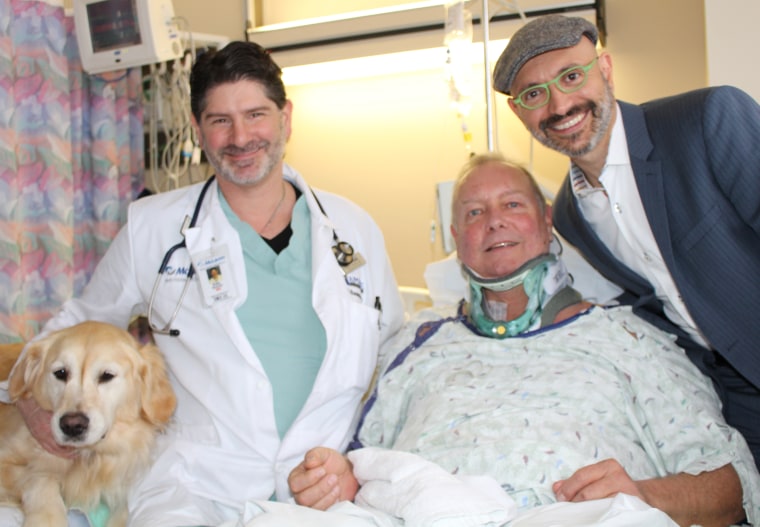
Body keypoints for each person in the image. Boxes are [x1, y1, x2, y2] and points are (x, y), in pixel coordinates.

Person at [0, 41, 404, 526]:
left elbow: (394, 365)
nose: (240, 136)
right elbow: (76, 329)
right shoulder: (152, 228)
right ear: (198, 129)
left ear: (286, 118)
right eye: (220, 120)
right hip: (195, 483)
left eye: (256, 114)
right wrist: (32, 405)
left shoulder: (353, 229)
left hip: (320, 486)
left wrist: (357, 464)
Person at [288, 153, 760, 527]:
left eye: (512, 204)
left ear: (546, 218)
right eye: (474, 212)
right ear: (456, 237)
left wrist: (645, 494)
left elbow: (735, 486)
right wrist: (334, 478)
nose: (494, 221)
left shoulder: (633, 339)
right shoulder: (416, 346)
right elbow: (358, 464)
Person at [491, 14, 760, 472]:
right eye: (535, 95)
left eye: (572, 76)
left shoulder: (706, 121)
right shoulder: (573, 217)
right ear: (519, 112)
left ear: (607, 69)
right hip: (738, 400)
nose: (559, 104)